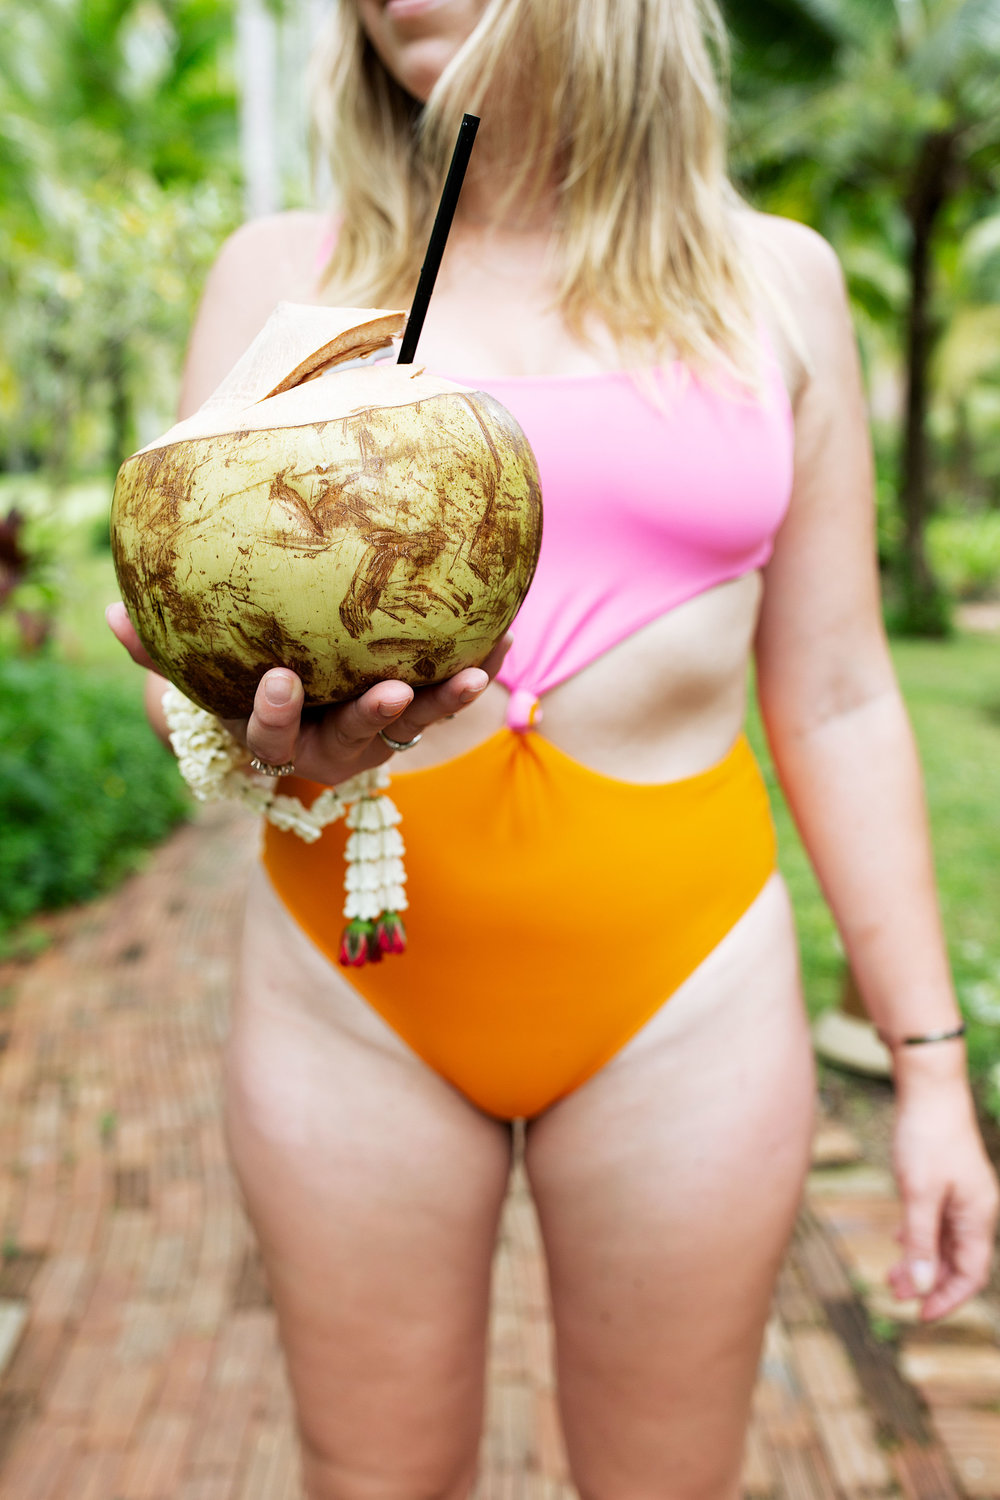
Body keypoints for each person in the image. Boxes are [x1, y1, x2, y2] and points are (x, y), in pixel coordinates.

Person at [108, 1, 999, 1496]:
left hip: (686, 987)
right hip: (353, 985)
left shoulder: (776, 280)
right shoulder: (284, 276)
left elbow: (839, 692)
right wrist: (242, 736)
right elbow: (197, 651)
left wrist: (927, 1071)